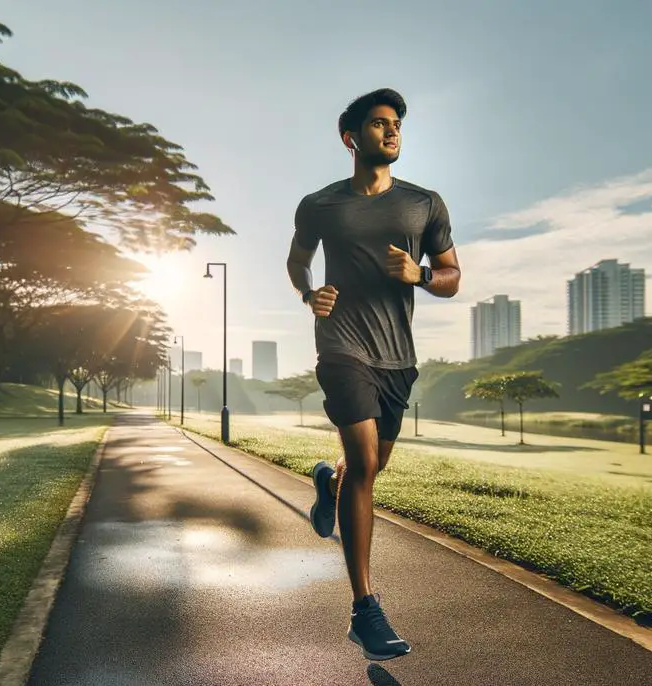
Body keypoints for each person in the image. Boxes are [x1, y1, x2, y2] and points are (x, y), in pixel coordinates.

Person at [284, 87, 462, 661]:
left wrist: (420, 274)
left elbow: (453, 274)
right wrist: (308, 292)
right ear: (351, 138)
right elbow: (297, 258)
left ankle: (327, 485)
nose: (392, 132)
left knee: (372, 466)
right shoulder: (319, 205)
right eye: (380, 124)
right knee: (365, 463)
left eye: (397, 125)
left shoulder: (424, 204)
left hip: (397, 357)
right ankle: (365, 610)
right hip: (342, 346)